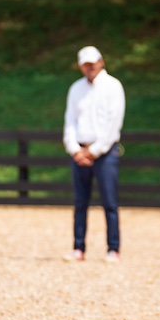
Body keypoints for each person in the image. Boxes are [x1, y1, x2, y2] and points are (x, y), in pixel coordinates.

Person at [62, 45, 126, 262]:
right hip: (79, 150)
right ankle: (78, 247)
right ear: (81, 66)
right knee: (80, 202)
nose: (89, 67)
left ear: (101, 62)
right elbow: (70, 121)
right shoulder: (75, 89)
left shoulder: (113, 86)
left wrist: (93, 151)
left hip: (105, 152)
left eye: (92, 63)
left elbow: (113, 124)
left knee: (109, 202)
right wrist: (75, 149)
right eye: (85, 64)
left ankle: (113, 248)